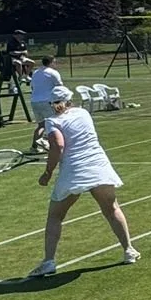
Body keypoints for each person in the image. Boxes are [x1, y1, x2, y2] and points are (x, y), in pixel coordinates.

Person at [28, 89, 138, 278]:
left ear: (51, 103)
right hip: (98, 165)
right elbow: (65, 141)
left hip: (74, 171)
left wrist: (47, 172)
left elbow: (60, 145)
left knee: (55, 216)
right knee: (112, 209)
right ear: (70, 100)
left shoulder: (52, 121)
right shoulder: (83, 113)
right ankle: (129, 250)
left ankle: (48, 261)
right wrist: (50, 145)